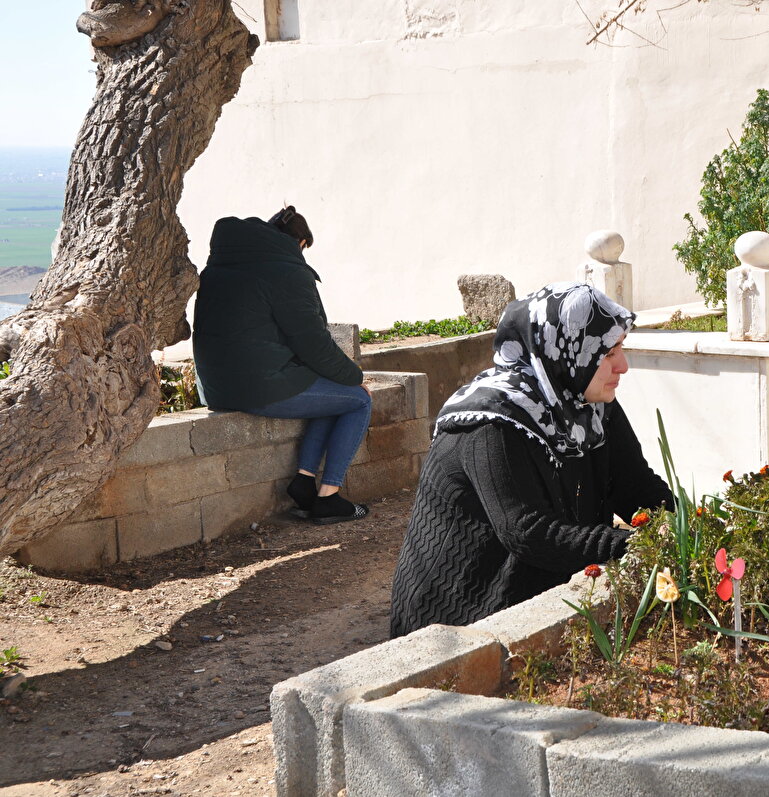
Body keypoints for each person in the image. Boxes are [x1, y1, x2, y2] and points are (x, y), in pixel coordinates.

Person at [388, 282, 673, 638]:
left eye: (620, 348)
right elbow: (529, 532)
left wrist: (685, 529)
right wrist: (637, 545)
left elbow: (635, 487)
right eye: (609, 352)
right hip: (459, 616)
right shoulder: (491, 419)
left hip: (531, 587)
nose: (624, 366)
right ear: (566, 351)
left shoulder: (587, 405)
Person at [192, 206, 370, 525]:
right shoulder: (286, 272)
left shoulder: (221, 264)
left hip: (216, 388)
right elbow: (313, 342)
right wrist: (355, 377)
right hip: (260, 386)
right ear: (299, 242)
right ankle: (328, 497)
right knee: (357, 400)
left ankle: (303, 484)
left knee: (331, 399)